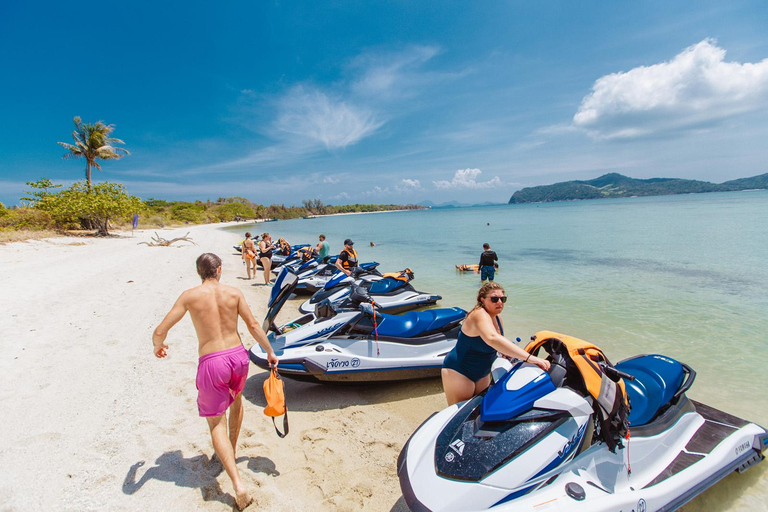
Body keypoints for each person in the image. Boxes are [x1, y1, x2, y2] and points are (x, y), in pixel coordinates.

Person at [152, 253, 279, 510]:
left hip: (213, 362)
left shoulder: (189, 296)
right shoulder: (233, 293)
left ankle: (237, 484)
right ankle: (230, 451)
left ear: (200, 272)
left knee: (215, 423)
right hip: (238, 358)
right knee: (236, 401)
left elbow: (160, 331)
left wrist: (158, 345)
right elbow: (254, 325)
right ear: (219, 270)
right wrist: (269, 352)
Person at [441, 282, 550, 406]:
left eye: (503, 299)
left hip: (483, 373)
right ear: (482, 300)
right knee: (459, 414)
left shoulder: (497, 317)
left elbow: (499, 342)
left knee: (479, 410)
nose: (499, 302)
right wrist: (530, 358)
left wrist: (509, 355)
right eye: (494, 299)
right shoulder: (479, 314)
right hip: (460, 371)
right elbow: (492, 338)